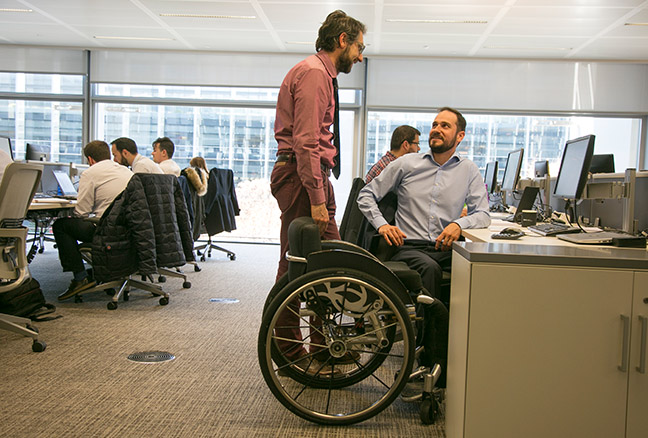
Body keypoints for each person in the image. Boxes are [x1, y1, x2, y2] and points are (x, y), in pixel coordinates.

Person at [270, 10, 366, 366]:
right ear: (343, 40)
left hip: (310, 174)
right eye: (359, 46)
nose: (360, 55)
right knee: (296, 264)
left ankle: (324, 344)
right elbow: (307, 141)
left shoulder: (320, 74)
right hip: (302, 175)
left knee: (327, 263)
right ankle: (288, 348)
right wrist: (316, 197)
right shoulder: (313, 74)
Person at [358, 107, 490, 299]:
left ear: (460, 135)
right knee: (429, 269)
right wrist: (383, 225)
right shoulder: (407, 163)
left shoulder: (468, 170)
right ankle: (426, 330)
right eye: (434, 125)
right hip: (408, 247)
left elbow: (483, 214)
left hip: (445, 249)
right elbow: (366, 195)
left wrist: (458, 225)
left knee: (479, 267)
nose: (437, 129)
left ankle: (463, 328)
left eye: (445, 126)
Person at [52, 140, 133, 301]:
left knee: (61, 225)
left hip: (106, 231)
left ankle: (80, 277)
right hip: (129, 230)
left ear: (90, 160)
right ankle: (100, 272)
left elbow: (81, 212)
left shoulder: (90, 173)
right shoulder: (127, 172)